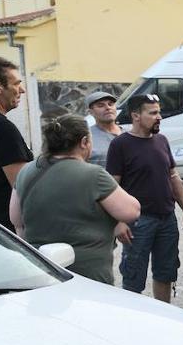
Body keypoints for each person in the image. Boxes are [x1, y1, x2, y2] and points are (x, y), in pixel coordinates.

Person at [9, 115, 140, 283]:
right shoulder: (94, 175)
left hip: (41, 271)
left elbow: (16, 220)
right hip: (88, 273)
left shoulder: (26, 171)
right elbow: (131, 211)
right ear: (84, 142)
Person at [105, 93, 183, 302]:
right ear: (136, 115)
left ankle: (164, 317)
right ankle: (133, 321)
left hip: (166, 218)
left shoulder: (162, 140)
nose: (159, 117)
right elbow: (112, 186)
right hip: (138, 222)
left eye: (159, 112)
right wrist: (118, 222)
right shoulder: (121, 144)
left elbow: (173, 176)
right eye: (153, 113)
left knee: (166, 273)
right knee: (133, 277)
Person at [0, 57, 34, 232]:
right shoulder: (2, 129)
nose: (21, 90)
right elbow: (22, 186)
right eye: (16, 84)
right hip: (3, 234)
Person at [85, 90, 122, 168]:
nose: (108, 108)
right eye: (101, 105)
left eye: (110, 104)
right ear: (90, 112)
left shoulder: (131, 131)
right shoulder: (87, 138)